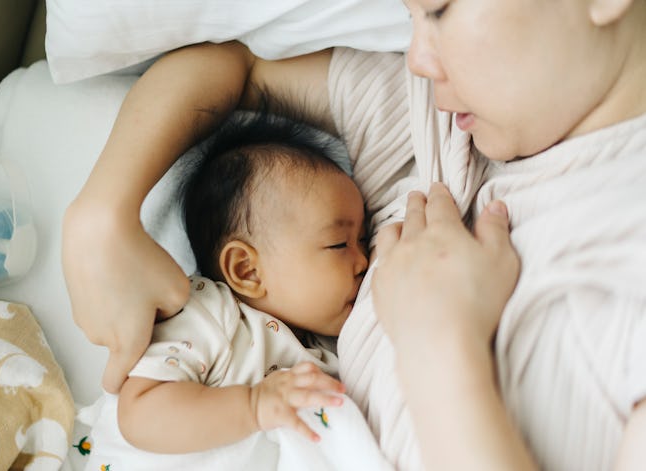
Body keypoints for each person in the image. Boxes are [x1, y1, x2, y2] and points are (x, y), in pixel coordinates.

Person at [62, 0, 646, 469]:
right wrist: (101, 214)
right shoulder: (430, 122)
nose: (416, 56)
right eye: (409, 14)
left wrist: (440, 344)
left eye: (440, 10)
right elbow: (229, 68)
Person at [82, 112, 392, 470]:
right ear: (247, 270)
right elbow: (140, 413)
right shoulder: (208, 314)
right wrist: (253, 405)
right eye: (339, 244)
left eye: (364, 240)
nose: (363, 262)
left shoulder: (334, 350)